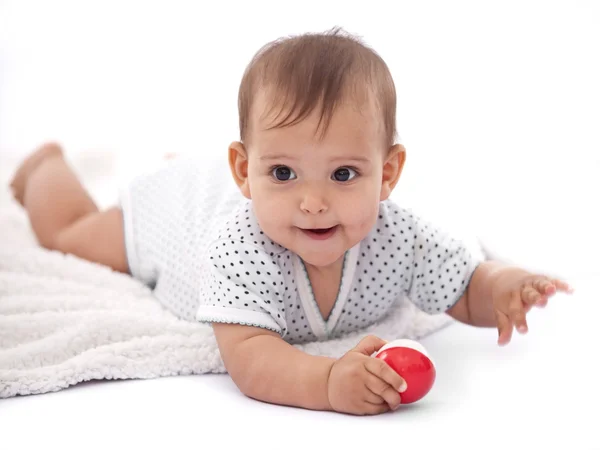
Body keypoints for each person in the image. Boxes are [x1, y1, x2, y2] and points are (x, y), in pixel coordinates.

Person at [9, 27, 573, 415]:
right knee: (71, 235)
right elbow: (252, 359)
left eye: (344, 175)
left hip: (226, 187)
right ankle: (43, 166)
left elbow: (462, 285)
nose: (313, 202)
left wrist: (500, 286)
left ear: (388, 173)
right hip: (182, 213)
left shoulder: (398, 235)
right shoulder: (240, 249)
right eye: (283, 173)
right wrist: (326, 382)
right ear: (246, 170)